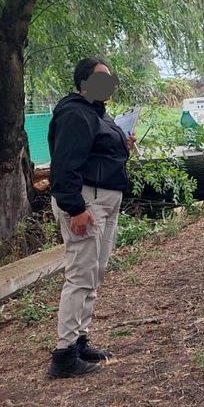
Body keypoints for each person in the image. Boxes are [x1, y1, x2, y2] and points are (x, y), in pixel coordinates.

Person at [46, 57, 135, 378]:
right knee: (81, 275)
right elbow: (64, 166)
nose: (108, 84)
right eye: (101, 79)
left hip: (105, 199)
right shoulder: (75, 114)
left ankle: (80, 339)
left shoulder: (97, 113)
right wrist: (75, 208)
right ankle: (64, 355)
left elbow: (98, 152)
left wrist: (122, 145)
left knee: (94, 274)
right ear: (83, 83)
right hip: (86, 202)